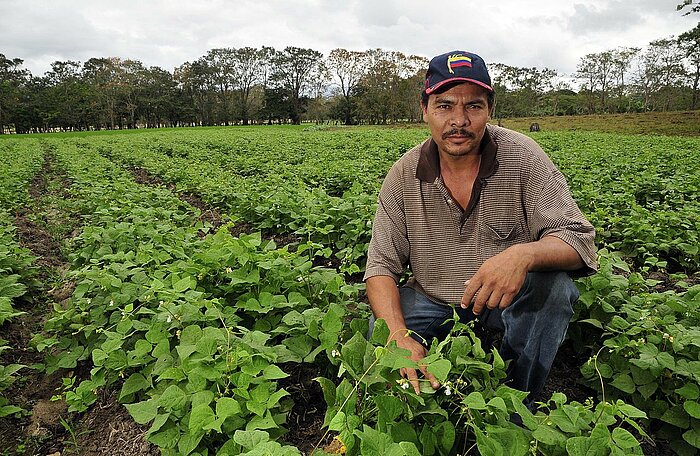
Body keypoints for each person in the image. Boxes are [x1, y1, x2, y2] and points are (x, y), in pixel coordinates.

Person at [363, 50, 597, 402]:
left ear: (490, 109)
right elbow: (381, 267)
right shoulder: (403, 175)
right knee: (381, 330)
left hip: (503, 302)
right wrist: (397, 334)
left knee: (555, 290)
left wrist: (522, 255)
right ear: (424, 109)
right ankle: (422, 403)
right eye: (444, 105)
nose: (459, 120)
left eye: (473, 106)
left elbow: (578, 241)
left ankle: (516, 400)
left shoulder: (523, 156)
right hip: (433, 299)